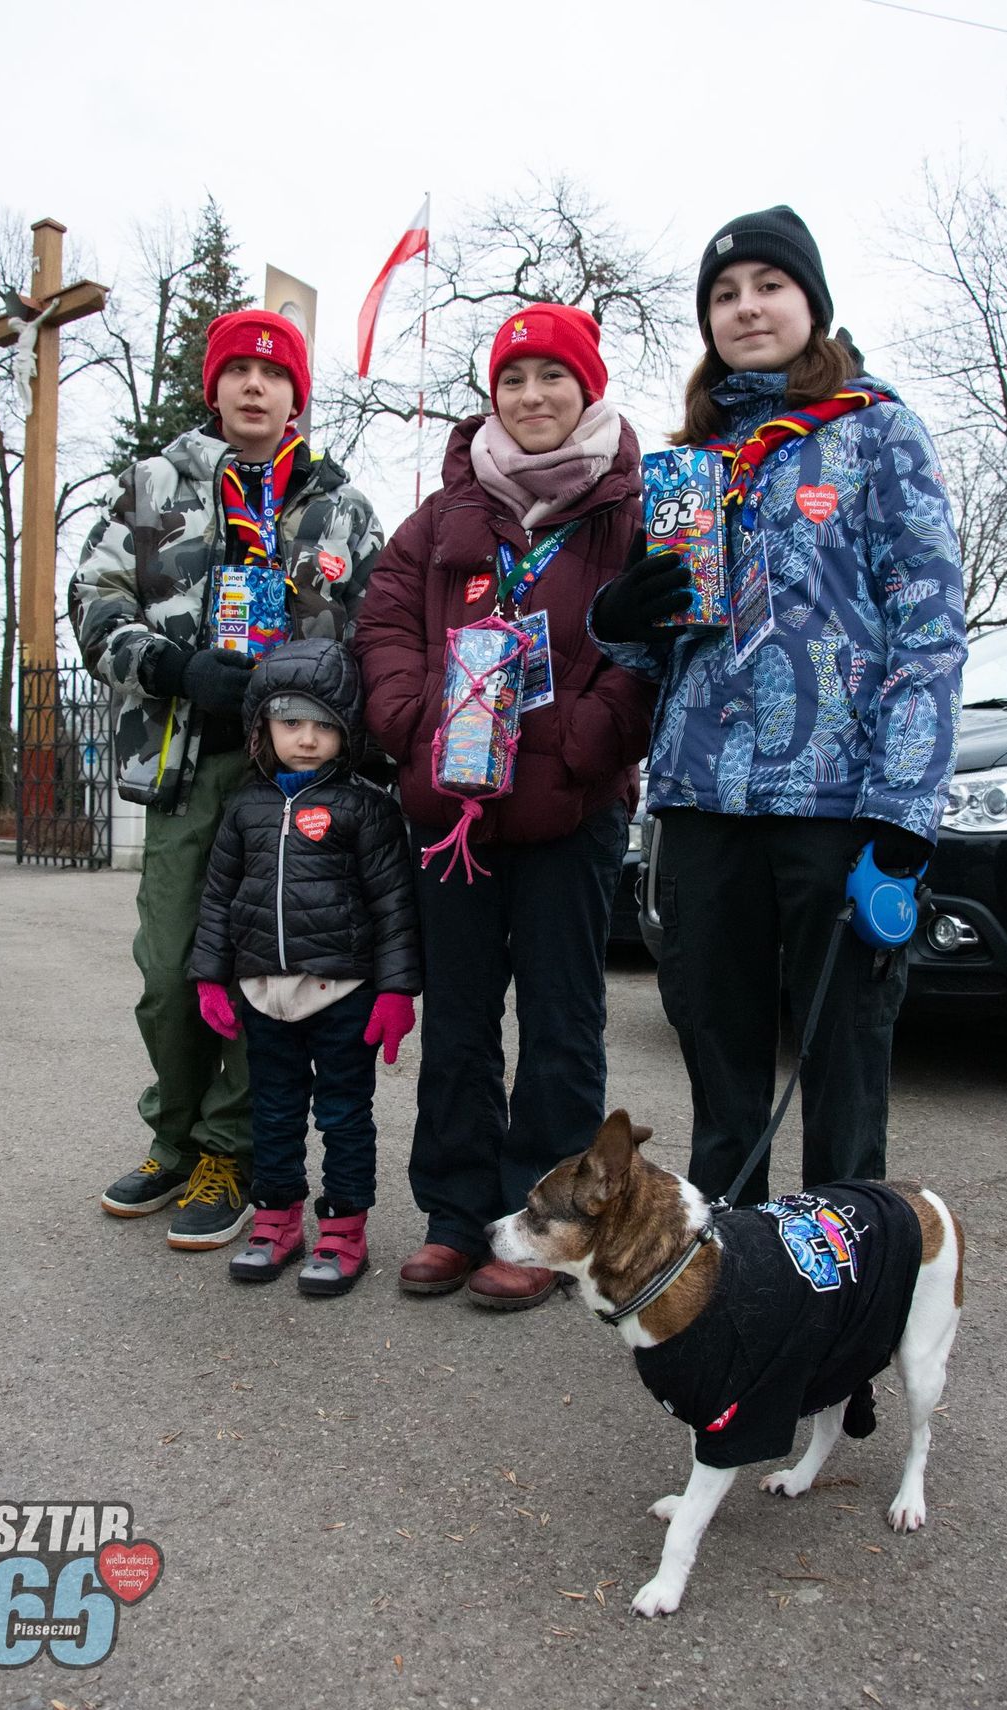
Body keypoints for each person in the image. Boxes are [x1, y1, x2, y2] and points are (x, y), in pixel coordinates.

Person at [591, 206, 967, 1206]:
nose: (747, 307)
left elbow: (929, 630)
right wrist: (618, 613)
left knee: (842, 1072)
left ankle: (842, 1306)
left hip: (838, 808)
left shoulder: (878, 433)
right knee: (721, 1071)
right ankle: (732, 1298)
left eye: (768, 285)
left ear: (812, 302)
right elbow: (654, 646)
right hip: (705, 803)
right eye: (725, 293)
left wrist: (904, 817)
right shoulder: (688, 464)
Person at [354, 303, 653, 1310]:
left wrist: (583, 741)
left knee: (564, 1021)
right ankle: (454, 1211)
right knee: (462, 1023)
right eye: (512, 381)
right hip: (457, 820)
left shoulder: (633, 508)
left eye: (552, 379)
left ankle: (550, 1228)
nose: (531, 398)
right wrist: (409, 720)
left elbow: (654, 645)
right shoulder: (444, 517)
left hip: (570, 809)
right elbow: (385, 623)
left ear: (587, 389)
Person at [70, 310, 384, 1249]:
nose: (256, 386)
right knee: (170, 971)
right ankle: (172, 1134)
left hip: (294, 779)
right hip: (187, 760)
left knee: (263, 973)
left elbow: (376, 632)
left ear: (298, 394)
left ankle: (231, 1148)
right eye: (239, 370)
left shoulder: (339, 506)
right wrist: (170, 667)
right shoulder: (152, 487)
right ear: (215, 387)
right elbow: (93, 601)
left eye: (274, 373)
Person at [189, 638, 419, 1293]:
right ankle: (277, 1222)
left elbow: (393, 906)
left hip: (342, 992)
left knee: (345, 1115)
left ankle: (345, 1232)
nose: (309, 739)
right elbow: (219, 897)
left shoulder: (367, 807)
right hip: (264, 995)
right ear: (263, 725)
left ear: (347, 732)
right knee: (274, 1113)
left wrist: (396, 992)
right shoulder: (244, 809)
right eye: (291, 723)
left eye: (325, 726)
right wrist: (210, 977)